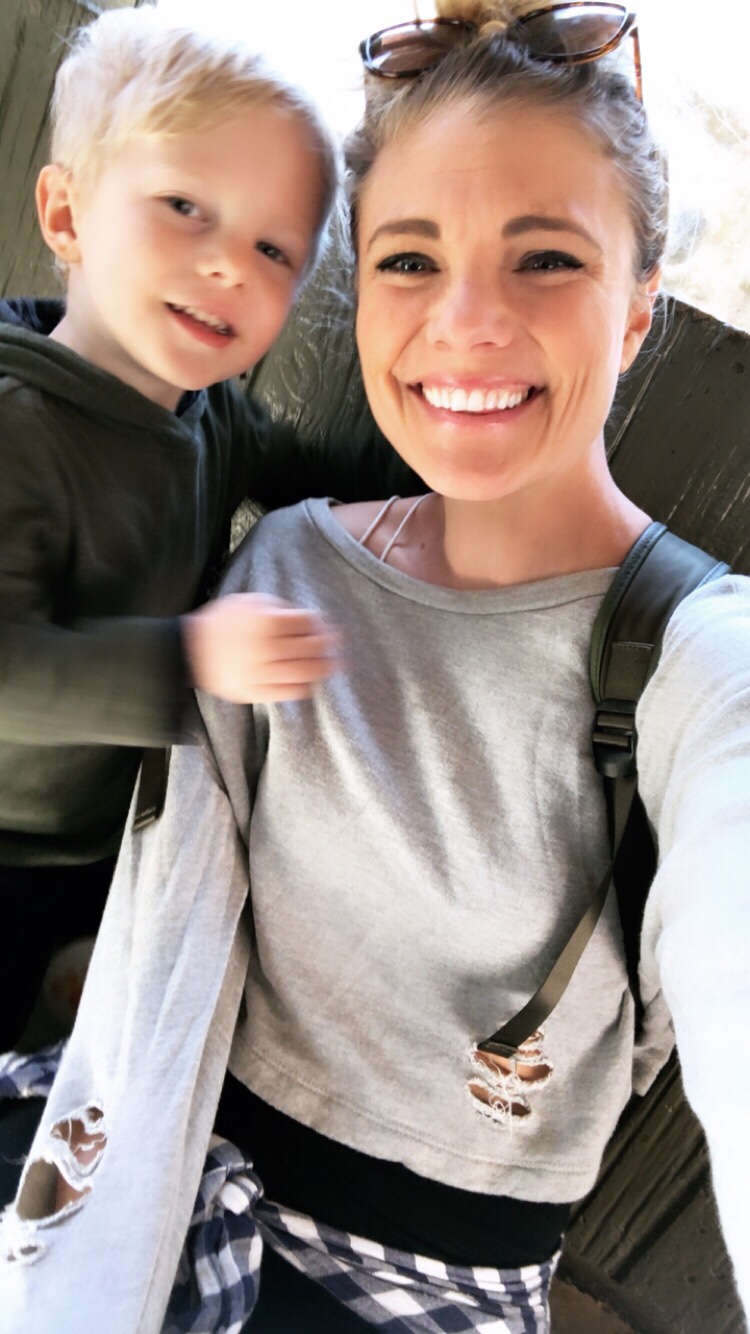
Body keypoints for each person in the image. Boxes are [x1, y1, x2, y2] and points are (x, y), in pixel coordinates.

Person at [2, 3, 749, 1331]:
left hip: (411, 1278)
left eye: (545, 258)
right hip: (121, 1139)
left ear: (641, 305)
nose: (463, 323)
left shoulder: (693, 652)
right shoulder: (281, 553)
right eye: (409, 259)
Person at [0, 5, 417, 1051]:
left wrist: (441, 478)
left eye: (273, 247)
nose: (231, 263)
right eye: (184, 206)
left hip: (99, 822)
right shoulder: (19, 429)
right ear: (67, 215)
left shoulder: (207, 412)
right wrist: (189, 656)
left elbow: (314, 480)